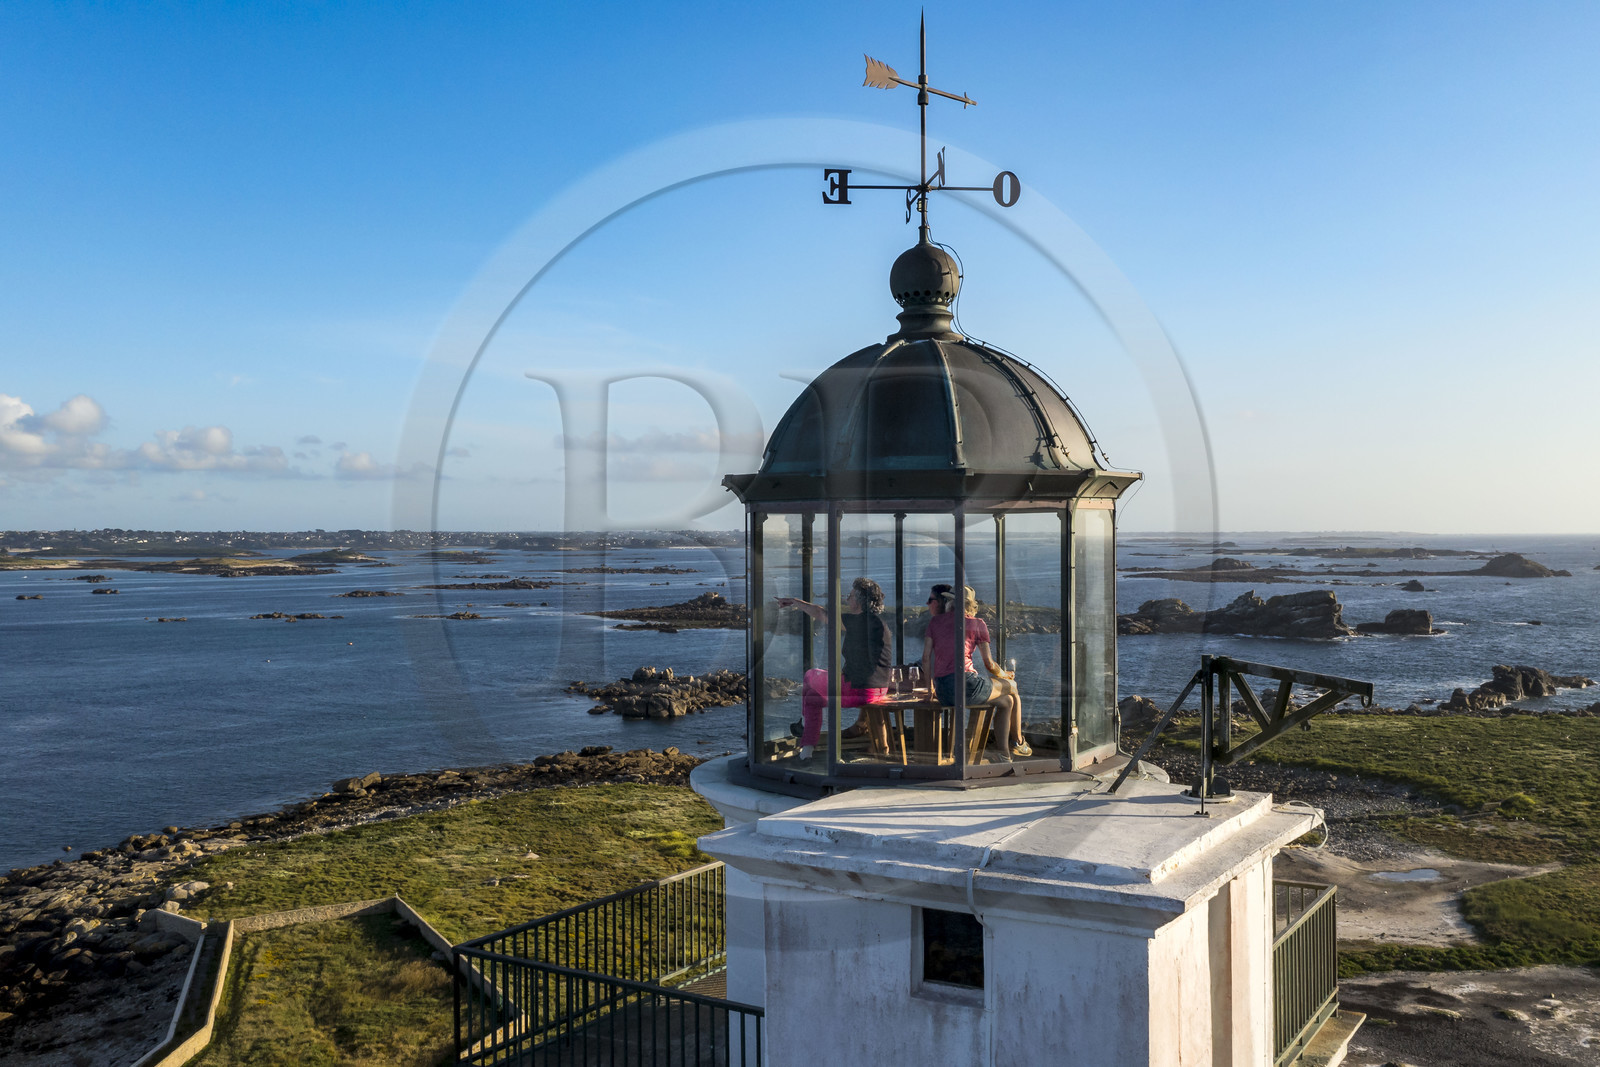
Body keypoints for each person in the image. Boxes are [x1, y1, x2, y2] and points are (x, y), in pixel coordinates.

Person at [773, 576, 893, 759]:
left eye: (851, 596)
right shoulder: (880, 624)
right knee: (813, 698)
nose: (847, 599)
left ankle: (804, 725)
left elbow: (821, 613)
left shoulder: (857, 621)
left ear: (860, 601)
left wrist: (795, 602)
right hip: (880, 689)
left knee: (810, 675)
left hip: (860, 689)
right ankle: (806, 753)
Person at [921, 584, 1025, 761]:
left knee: (1007, 701)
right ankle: (1019, 742)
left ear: (950, 602)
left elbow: (925, 659)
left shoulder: (935, 622)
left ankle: (1005, 754)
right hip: (967, 685)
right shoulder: (977, 624)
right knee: (1012, 687)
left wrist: (930, 690)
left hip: (944, 691)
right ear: (970, 605)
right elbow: (989, 664)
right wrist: (1006, 676)